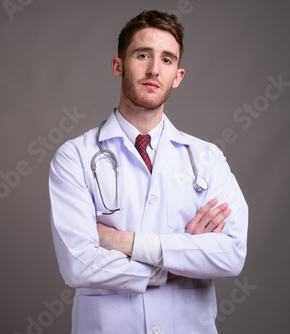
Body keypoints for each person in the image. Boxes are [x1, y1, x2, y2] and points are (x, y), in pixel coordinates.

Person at [48, 10, 248, 334]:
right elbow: (78, 265)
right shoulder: (75, 157)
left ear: (178, 76)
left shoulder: (208, 158)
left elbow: (232, 255)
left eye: (167, 60)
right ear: (118, 66)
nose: (155, 69)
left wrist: (120, 241)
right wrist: (173, 264)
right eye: (143, 55)